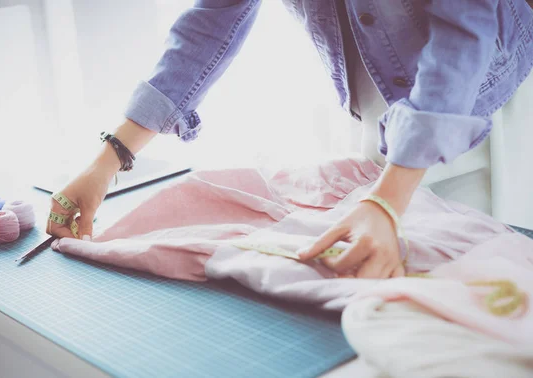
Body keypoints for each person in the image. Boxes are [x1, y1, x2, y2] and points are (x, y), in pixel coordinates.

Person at [47, 0, 533, 279]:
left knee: (480, 281)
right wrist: (110, 158)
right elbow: (210, 21)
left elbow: (464, 32)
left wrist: (388, 199)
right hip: (381, 107)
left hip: (478, 101)